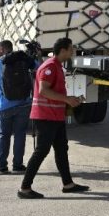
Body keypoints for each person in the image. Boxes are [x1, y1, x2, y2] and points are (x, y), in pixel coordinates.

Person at [18, 37, 90, 198]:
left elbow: (54, 93)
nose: (73, 52)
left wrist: (70, 98)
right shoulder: (49, 67)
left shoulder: (57, 66)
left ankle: (68, 184)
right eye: (71, 49)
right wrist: (66, 99)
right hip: (45, 116)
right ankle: (25, 188)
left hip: (55, 116)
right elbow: (44, 90)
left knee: (62, 150)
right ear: (63, 50)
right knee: (41, 151)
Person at [0, 40, 32, 175]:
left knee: (4, 135)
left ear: (2, 49)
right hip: (23, 103)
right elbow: (38, 67)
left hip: (4, 105)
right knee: (20, 134)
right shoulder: (23, 60)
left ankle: (1, 167)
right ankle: (18, 165)